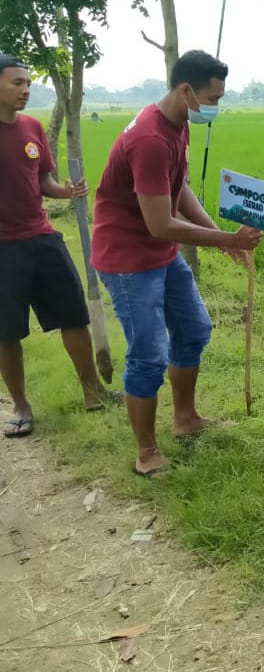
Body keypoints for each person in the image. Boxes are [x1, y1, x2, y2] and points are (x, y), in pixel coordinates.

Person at [91, 50, 262, 477]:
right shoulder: (149, 138)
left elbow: (179, 189)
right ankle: (146, 451)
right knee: (148, 353)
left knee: (193, 328)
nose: (215, 107)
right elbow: (160, 224)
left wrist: (222, 239)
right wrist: (226, 238)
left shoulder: (178, 124)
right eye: (213, 98)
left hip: (160, 255)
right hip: (129, 258)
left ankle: (185, 420)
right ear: (186, 91)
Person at [0, 53, 115, 438]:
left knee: (73, 313)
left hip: (42, 237)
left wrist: (66, 191)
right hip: (3, 249)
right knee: (7, 331)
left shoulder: (32, 129)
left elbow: (42, 181)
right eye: (17, 83)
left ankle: (93, 391)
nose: (25, 90)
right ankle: (20, 405)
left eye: (28, 83)